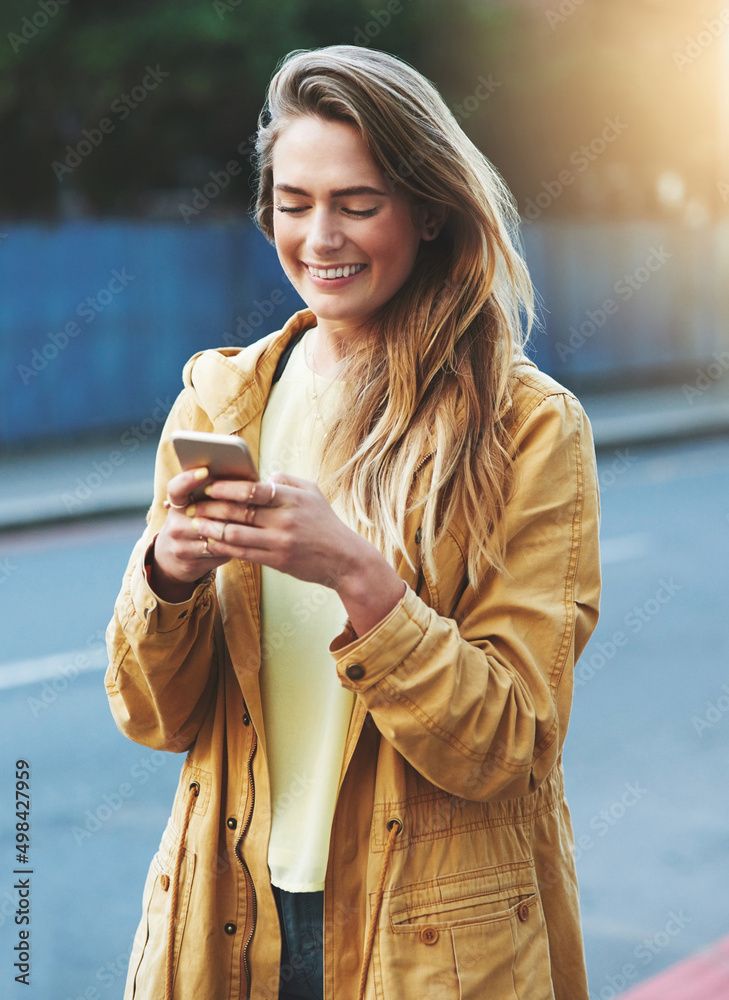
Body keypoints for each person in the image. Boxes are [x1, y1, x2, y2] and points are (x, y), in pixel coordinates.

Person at [106, 44, 600, 1000]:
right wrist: (165, 577)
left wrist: (360, 580)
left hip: (424, 944)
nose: (319, 237)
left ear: (427, 210)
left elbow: (509, 743)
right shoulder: (220, 401)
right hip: (223, 920)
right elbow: (154, 717)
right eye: (293, 204)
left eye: (357, 204)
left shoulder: (528, 426)